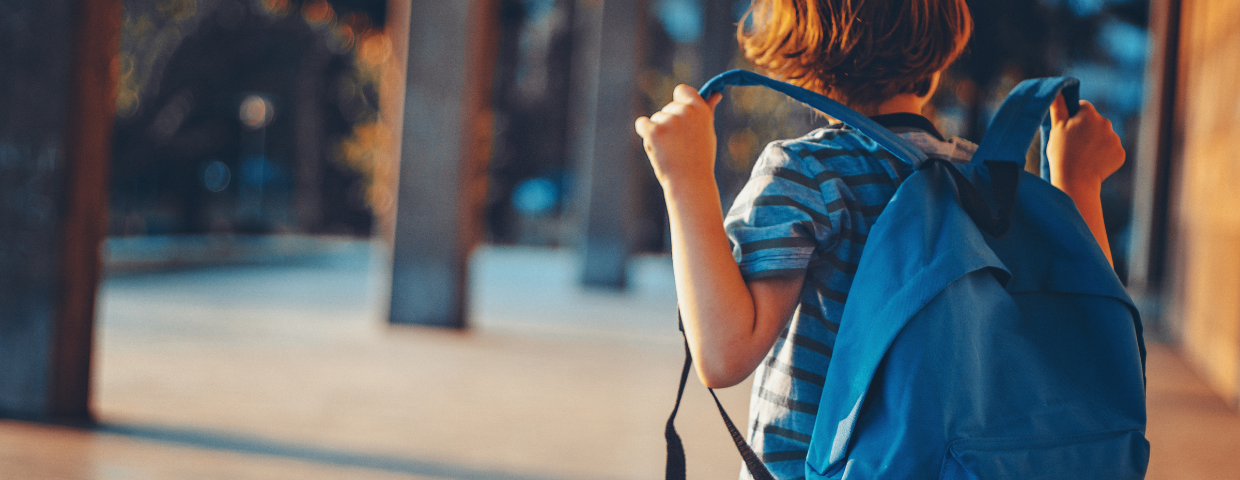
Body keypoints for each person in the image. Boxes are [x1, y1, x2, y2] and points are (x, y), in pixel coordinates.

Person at [633, 0, 1126, 478]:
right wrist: (1077, 184)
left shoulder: (807, 174)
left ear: (796, 46)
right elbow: (1085, 338)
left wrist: (686, 178)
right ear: (941, 46)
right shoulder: (983, 185)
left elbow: (724, 355)